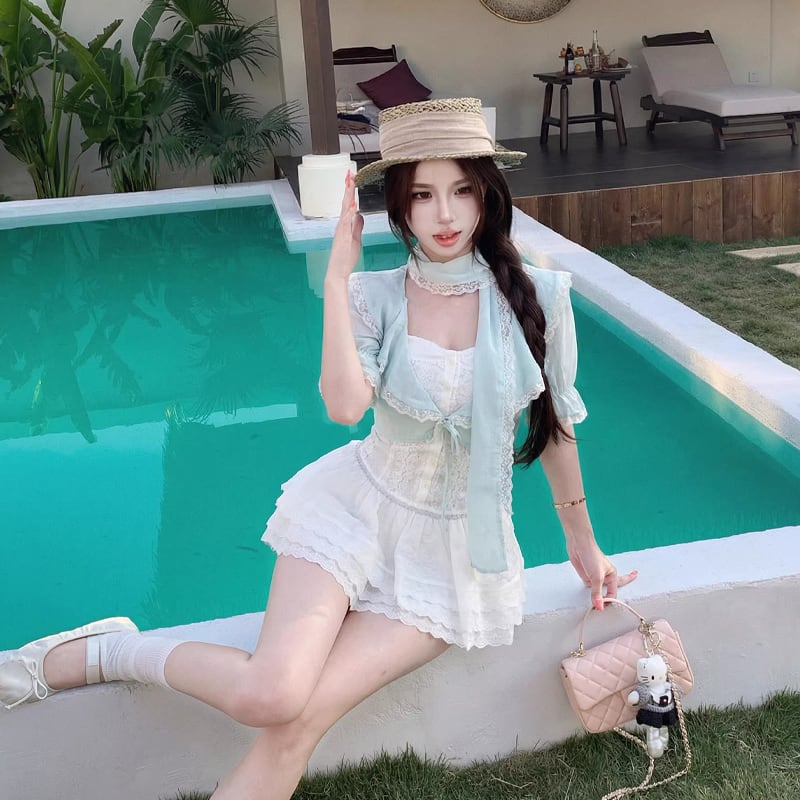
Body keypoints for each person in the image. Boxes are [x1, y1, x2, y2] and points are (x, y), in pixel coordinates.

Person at [0, 98, 637, 799]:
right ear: (399, 205)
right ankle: (107, 650)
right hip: (355, 511)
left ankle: (109, 651)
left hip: (454, 553)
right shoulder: (375, 295)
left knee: (296, 724)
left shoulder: (542, 297)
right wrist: (336, 280)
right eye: (422, 194)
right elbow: (343, 408)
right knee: (271, 696)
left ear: (489, 194)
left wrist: (583, 541)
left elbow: (556, 424)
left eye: (461, 190)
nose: (444, 214)